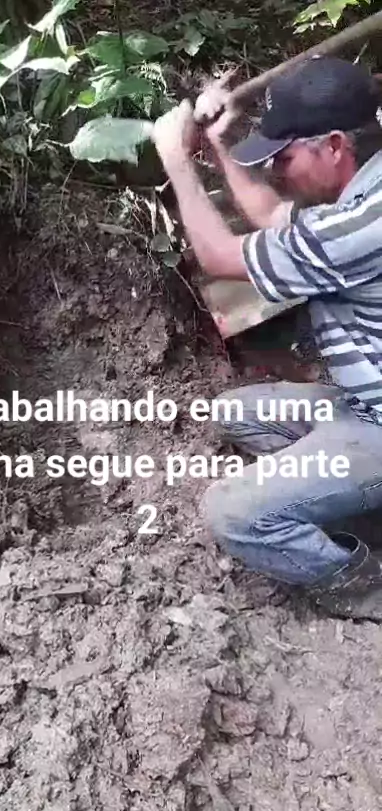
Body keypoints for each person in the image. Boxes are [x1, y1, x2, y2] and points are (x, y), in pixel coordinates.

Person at [151, 55, 382, 619]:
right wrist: (216, 149)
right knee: (237, 413)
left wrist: (177, 162)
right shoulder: (362, 197)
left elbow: (218, 257)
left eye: (284, 157)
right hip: (366, 405)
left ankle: (362, 583)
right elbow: (273, 215)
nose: (277, 170)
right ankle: (351, 495)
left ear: (334, 146)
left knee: (234, 514)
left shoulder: (357, 227)